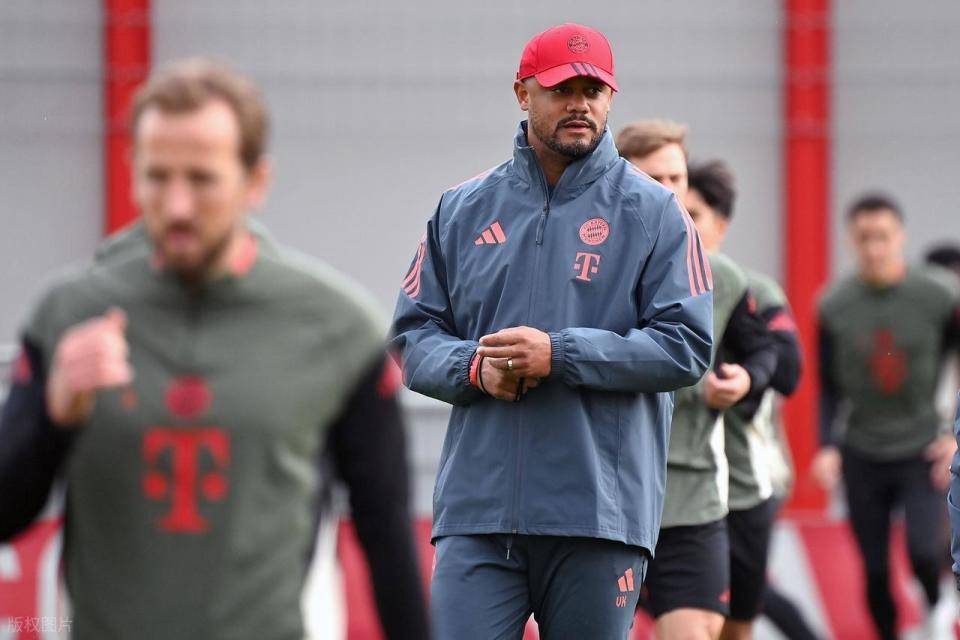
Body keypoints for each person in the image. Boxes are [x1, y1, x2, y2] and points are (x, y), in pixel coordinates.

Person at [0, 59, 429, 640]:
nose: (177, 205)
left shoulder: (338, 330)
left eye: (201, 180)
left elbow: (387, 536)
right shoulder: (68, 316)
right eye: (157, 177)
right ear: (133, 174)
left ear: (256, 181)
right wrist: (52, 419)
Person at [391, 24, 714, 640]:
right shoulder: (461, 208)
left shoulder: (657, 213)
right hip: (478, 512)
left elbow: (686, 344)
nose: (580, 104)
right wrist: (474, 368)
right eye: (562, 89)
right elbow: (412, 336)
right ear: (522, 93)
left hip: (599, 516)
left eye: (594, 90)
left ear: (611, 98)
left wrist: (560, 355)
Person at [617, 122, 778, 640]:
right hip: (608, 496)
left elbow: (770, 352)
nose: (669, 193)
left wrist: (745, 380)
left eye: (676, 178)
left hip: (693, 495)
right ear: (618, 181)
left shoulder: (722, 278)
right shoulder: (588, 268)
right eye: (653, 178)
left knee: (699, 631)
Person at [812, 193, 960, 640]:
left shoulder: (938, 294)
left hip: (921, 445)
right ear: (850, 241)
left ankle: (935, 609)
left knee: (923, 551)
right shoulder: (834, 304)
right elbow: (827, 386)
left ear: (901, 237)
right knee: (874, 569)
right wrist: (827, 446)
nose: (874, 248)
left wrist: (953, 435)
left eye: (883, 236)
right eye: (864, 238)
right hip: (862, 448)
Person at [685, 160, 810, 640]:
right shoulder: (639, 287)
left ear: (721, 225)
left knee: (737, 623)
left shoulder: (752, 290)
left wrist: (744, 377)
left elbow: (790, 370)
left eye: (694, 214)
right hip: (670, 484)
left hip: (742, 483)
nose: (682, 225)